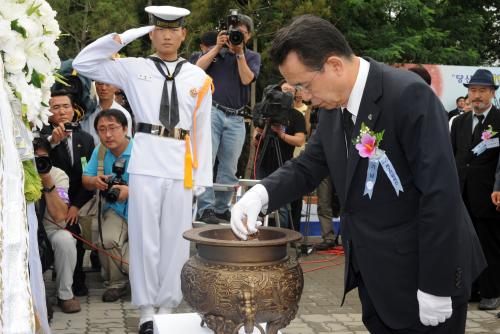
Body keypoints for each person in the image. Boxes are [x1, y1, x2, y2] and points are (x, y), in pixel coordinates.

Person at [231, 15, 486, 333]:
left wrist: (437, 284)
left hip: (424, 273)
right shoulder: (332, 110)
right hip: (376, 278)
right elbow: (308, 165)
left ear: (335, 65)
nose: (305, 97)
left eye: (305, 85)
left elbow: (441, 194)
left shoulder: (408, 97)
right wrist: (261, 193)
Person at [72, 5, 213, 334]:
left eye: (173, 28)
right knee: (145, 237)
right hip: (147, 161)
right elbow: (84, 63)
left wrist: (202, 178)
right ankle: (147, 309)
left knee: (174, 241)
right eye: (159, 28)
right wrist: (128, 35)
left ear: (183, 34)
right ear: (152, 33)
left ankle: (168, 306)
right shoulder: (133, 68)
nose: (166, 34)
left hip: (182, 164)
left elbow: (203, 130)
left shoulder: (199, 77)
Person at [195, 12, 261, 224]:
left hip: (237, 117)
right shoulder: (217, 52)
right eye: (234, 32)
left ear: (248, 36)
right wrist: (217, 47)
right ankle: (205, 208)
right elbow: (195, 70)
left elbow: (247, 79)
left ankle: (222, 208)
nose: (236, 36)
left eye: (240, 33)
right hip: (212, 111)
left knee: (229, 166)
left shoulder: (252, 56)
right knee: (206, 160)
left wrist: (239, 52)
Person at [450, 69, 500, 310]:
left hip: (489, 195)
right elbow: (451, 157)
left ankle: (492, 292)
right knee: (466, 244)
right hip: (461, 193)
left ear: (491, 93)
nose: (477, 96)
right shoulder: (458, 122)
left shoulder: (499, 121)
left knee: (488, 244)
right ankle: (472, 289)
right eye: (473, 91)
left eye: (482, 91)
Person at [41, 91, 95, 297]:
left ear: (74, 110)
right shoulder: (44, 136)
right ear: (48, 112)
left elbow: (87, 176)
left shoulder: (86, 139)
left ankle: (75, 279)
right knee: (66, 235)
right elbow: (41, 157)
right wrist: (52, 142)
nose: (62, 111)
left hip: (78, 201)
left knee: (76, 235)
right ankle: (66, 279)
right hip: (51, 202)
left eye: (66, 106)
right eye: (56, 107)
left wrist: (76, 206)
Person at [82, 109, 132, 303]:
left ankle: (134, 272)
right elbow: (86, 179)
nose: (108, 134)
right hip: (115, 210)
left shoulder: (142, 149)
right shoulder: (100, 151)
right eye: (102, 129)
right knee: (106, 240)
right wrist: (96, 181)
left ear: (125, 128)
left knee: (143, 251)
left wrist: (131, 191)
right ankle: (117, 283)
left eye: (113, 128)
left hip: (143, 210)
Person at [33, 137, 81, 313]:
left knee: (66, 240)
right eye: (33, 159)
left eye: (42, 158)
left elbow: (60, 215)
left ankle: (65, 294)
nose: (38, 163)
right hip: (24, 230)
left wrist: (47, 182)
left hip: (51, 227)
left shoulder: (58, 174)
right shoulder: (14, 174)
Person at [253, 81, 306, 228]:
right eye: (284, 89)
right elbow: (255, 138)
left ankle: (280, 237)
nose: (286, 93)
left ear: (295, 94)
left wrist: (281, 135)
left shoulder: (296, 115)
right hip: (264, 163)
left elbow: (300, 140)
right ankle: (259, 233)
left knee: (282, 205)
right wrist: (261, 132)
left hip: (283, 164)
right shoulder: (266, 112)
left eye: (290, 91)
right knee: (259, 201)